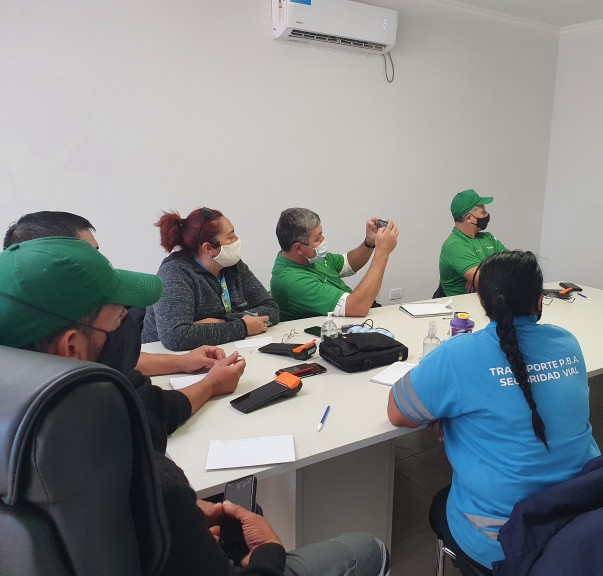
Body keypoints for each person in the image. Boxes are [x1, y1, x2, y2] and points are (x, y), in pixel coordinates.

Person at [0, 237, 389, 576]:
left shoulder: (39, 449)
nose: (130, 326)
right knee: (368, 548)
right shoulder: (144, 474)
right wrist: (269, 552)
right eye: (120, 317)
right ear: (71, 347)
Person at [387, 250, 600, 570]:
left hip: (502, 542)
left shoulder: (458, 354)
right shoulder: (566, 342)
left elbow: (398, 412)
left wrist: (449, 414)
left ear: (481, 301)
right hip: (582, 525)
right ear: (539, 301)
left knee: (438, 502)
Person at [4, 211, 241, 448]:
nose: (102, 264)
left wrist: (183, 362)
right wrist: (210, 385)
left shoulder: (23, 361)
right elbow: (152, 414)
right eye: (88, 256)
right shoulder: (93, 422)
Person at [142, 208, 280, 351]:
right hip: (167, 359)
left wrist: (223, 321)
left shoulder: (234, 266)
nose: (237, 240)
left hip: (224, 350)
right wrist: (244, 326)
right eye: (231, 237)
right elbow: (176, 337)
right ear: (208, 248)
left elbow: (271, 309)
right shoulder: (174, 274)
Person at [270, 208, 398, 321]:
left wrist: (369, 242)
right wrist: (382, 253)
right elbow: (357, 307)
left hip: (355, 315)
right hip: (343, 323)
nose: (323, 240)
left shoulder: (308, 257)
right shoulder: (293, 281)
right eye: (317, 238)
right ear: (298, 248)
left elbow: (347, 263)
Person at [439, 189, 507, 296]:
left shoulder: (488, 237)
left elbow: (514, 265)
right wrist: (483, 277)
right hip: (463, 305)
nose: (487, 215)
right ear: (469, 218)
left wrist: (482, 271)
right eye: (483, 212)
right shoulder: (454, 246)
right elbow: (487, 283)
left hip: (486, 301)